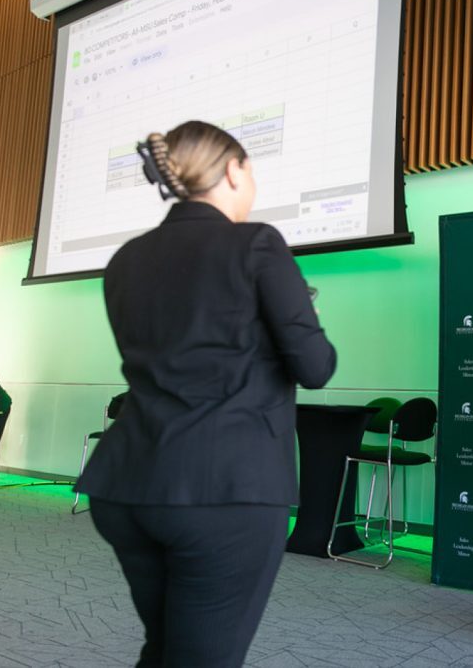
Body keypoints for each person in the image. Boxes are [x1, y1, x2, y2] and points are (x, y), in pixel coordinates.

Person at [75, 120, 336, 667]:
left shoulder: (126, 258)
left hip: (127, 486)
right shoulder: (257, 243)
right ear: (235, 169)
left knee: (167, 648)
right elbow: (315, 368)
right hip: (223, 491)